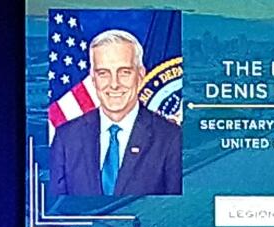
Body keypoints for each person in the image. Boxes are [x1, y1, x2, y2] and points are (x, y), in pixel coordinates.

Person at [49, 29, 182, 196]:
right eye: (103, 73)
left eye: (124, 72)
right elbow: (56, 210)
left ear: (140, 75)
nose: (114, 84)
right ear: (93, 78)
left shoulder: (171, 138)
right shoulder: (66, 138)